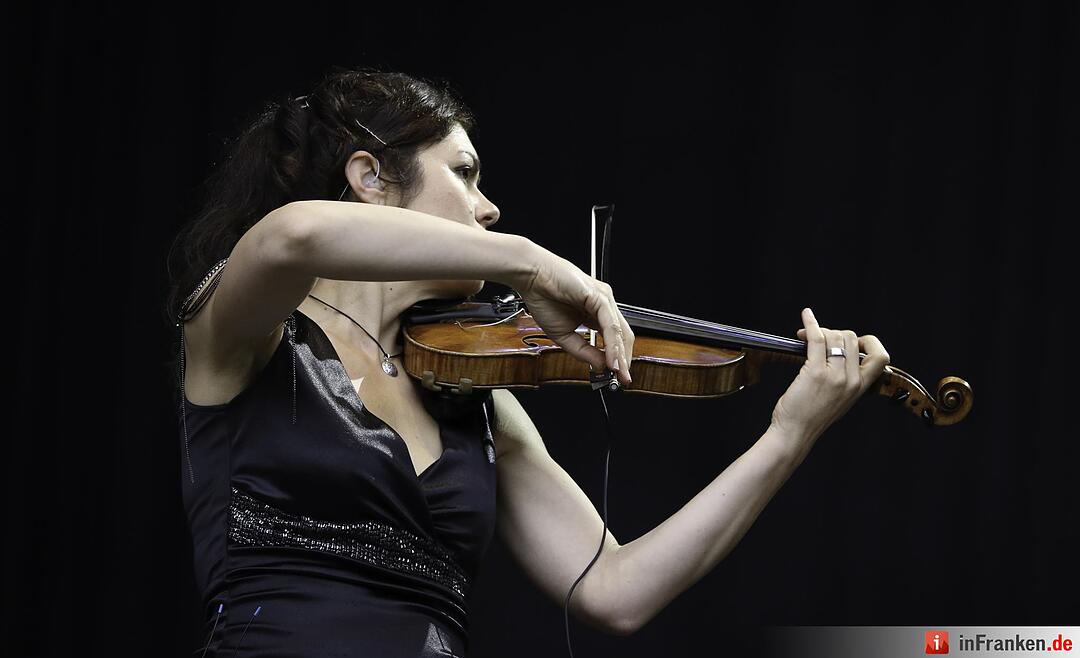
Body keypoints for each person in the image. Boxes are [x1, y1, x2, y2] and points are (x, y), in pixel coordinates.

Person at [166, 66, 890, 657]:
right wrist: (531, 267)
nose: (489, 210)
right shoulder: (246, 333)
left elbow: (613, 588)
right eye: (466, 174)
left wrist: (788, 437)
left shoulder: (469, 393)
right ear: (369, 176)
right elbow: (289, 239)